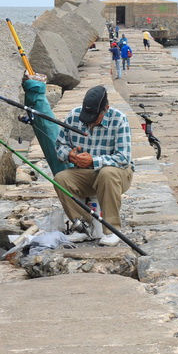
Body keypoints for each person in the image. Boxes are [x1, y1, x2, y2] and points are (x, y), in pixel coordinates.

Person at [54, 86, 133, 246]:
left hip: (118, 174)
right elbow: (59, 146)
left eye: (93, 117)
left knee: (107, 174)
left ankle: (111, 230)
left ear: (106, 109)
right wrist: (70, 155)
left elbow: (123, 158)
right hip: (85, 174)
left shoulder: (119, 119)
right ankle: (82, 227)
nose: (88, 121)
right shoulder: (73, 116)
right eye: (86, 116)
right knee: (60, 179)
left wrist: (93, 161)